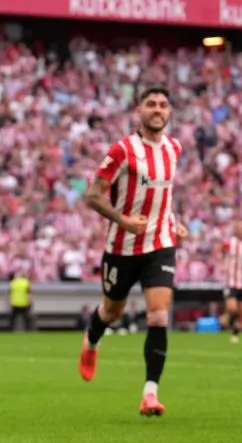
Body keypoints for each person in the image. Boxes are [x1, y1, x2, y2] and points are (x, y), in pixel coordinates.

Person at [78, 86, 188, 417]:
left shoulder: (174, 148)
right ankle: (91, 341)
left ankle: (150, 393)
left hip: (160, 244)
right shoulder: (123, 150)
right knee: (112, 311)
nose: (157, 109)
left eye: (163, 105)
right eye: (151, 104)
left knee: (158, 314)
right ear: (138, 110)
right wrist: (123, 220)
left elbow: (163, 196)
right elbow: (93, 195)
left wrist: (173, 221)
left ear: (169, 112)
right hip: (122, 247)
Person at [219, 220, 242, 344]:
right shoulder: (229, 243)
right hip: (231, 281)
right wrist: (222, 265)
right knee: (232, 307)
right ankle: (227, 315)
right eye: (238, 228)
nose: (241, 231)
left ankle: (235, 334)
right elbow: (222, 255)